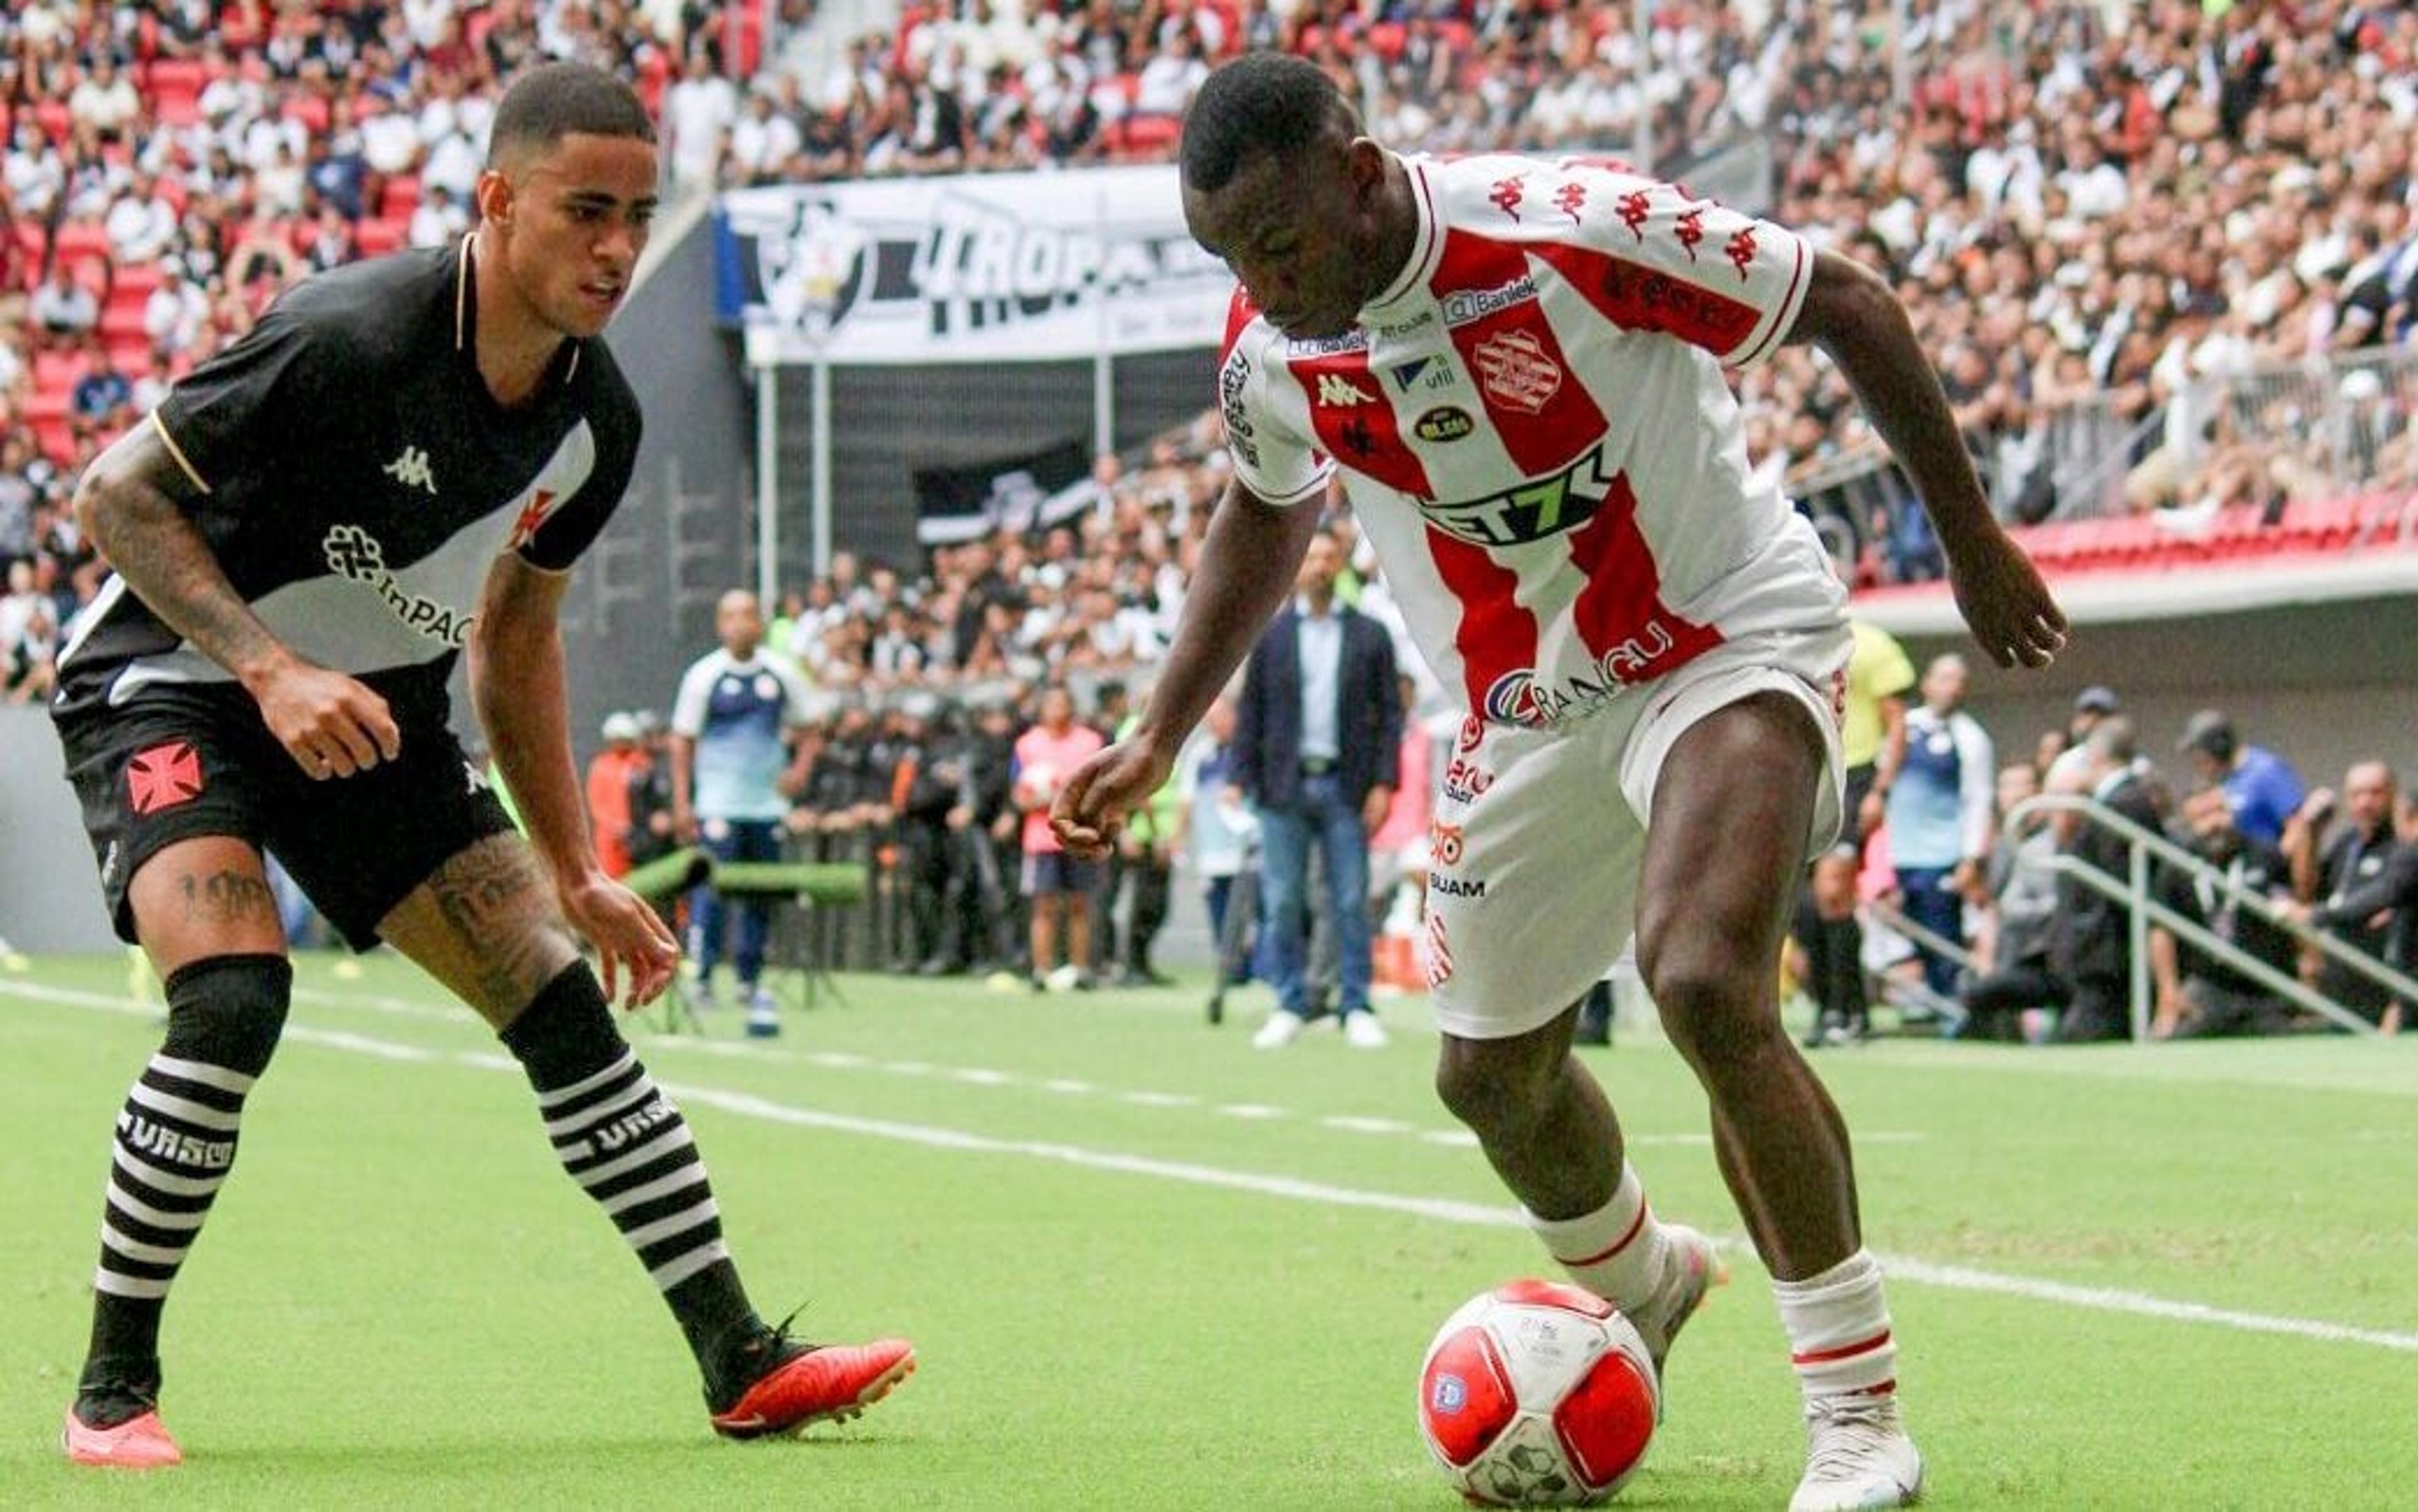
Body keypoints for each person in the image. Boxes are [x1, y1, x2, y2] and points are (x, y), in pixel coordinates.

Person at [1052, 54, 2065, 1511]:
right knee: (1489, 1079)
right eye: (1230, 259)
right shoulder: (1274, 349)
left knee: (1705, 983)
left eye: (1276, 246)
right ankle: (1646, 1281)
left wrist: (1968, 539)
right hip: (1523, 712)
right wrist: (1156, 733)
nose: (1262, 287)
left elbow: (1840, 297)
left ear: (1356, 171)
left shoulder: (1564, 229)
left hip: (1721, 636)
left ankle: (1856, 1420)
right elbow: (1263, 516)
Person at [47, 65, 912, 1469]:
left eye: (637, 215)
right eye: (586, 212)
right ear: (499, 202)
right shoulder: (345, 335)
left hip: (376, 719)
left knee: (559, 1000)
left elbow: (516, 644)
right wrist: (267, 667)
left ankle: (742, 1361)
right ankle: (111, 1392)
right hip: (175, 687)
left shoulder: (599, 422)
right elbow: (112, 497)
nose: (620, 248)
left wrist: (576, 868)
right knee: (233, 999)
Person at [1233, 525, 1402, 1049]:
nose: (1320, 566)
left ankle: (1355, 1003)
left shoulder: (1370, 635)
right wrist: (1244, 779)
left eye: (1330, 557)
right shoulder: (1272, 635)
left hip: (1345, 785)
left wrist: (1384, 782)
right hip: (1283, 785)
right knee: (1282, 899)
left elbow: (1391, 716)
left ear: (1343, 563)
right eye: (1311, 558)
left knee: (1351, 898)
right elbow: (1251, 712)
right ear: (1297, 566)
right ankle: (1289, 1002)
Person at [669, 588, 815, 1037]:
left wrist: (800, 769)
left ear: (761, 622)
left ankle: (750, 978)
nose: (740, 625)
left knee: (760, 892)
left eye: (748, 616)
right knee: (710, 889)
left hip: (766, 806)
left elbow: (812, 725)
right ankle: (704, 975)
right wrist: (682, 800)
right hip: (717, 803)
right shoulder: (704, 675)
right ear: (720, 624)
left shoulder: (781, 672)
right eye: (731, 616)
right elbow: (682, 740)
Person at [1882, 654, 1995, 1004]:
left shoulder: (1971, 739)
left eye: (1958, 681)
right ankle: (1931, 1002)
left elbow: (1979, 798)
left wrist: (1971, 857)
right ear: (1927, 683)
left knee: (1943, 933)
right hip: (1901, 851)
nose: (1951, 687)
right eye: (1943, 678)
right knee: (1911, 931)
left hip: (1944, 853)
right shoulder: (1905, 728)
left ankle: (1951, 1002)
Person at [2149, 786, 2298, 1039]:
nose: (2215, 823)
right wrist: (2168, 992)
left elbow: (2294, 912)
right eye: (2203, 817)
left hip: (2266, 983)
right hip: (2207, 985)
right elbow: (2161, 931)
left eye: (2220, 812)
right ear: (2190, 823)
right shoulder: (2176, 864)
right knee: (2169, 1039)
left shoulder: (2265, 854)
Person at [2287, 760, 2406, 1033]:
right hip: (2343, 982)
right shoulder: (2347, 844)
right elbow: (2306, 890)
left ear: (2393, 794)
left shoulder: (2406, 844)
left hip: (2388, 983)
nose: (2365, 803)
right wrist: (2311, 831)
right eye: (2356, 795)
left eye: (2375, 793)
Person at [1014, 684, 1106, 989]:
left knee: (1081, 903)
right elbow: (1018, 795)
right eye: (1051, 704)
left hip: (1080, 832)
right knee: (1044, 905)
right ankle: (1041, 971)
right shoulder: (1027, 745)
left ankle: (1080, 970)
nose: (1057, 710)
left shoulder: (1090, 743)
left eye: (1062, 703)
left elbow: (1099, 787)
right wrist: (1043, 800)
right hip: (1042, 837)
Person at [585, 709, 644, 878]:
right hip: (609, 839)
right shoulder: (601, 765)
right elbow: (596, 804)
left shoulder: (639, 763)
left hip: (637, 837)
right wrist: (614, 826)